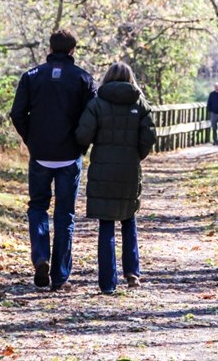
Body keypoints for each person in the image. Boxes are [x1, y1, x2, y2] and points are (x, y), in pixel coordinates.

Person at [9, 29, 96, 292]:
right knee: (65, 214)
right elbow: (91, 118)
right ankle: (59, 276)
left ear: (50, 48)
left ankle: (40, 257)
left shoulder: (31, 76)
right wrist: (81, 144)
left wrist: (31, 140)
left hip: (41, 156)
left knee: (37, 207)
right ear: (72, 51)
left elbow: (17, 113)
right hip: (69, 157)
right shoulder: (83, 78)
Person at [75, 62, 156, 294]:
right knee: (129, 218)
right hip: (129, 169)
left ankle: (107, 283)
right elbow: (149, 136)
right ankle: (132, 272)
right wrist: (136, 155)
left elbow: (83, 135)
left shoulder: (97, 103)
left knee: (106, 224)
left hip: (102, 169)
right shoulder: (140, 103)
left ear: (107, 77)